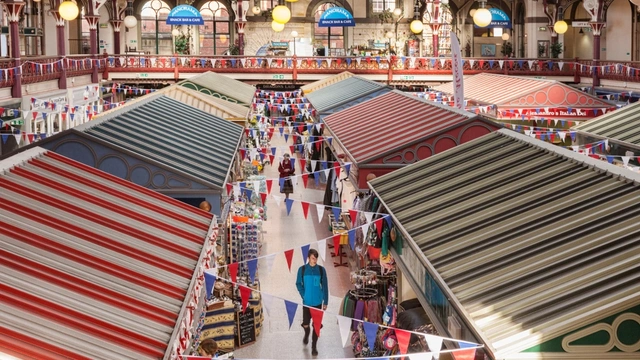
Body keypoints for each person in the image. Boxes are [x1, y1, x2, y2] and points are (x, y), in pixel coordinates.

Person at [295, 249, 328, 356]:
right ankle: (306, 333)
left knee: (316, 325)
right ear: (308, 258)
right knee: (305, 323)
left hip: (318, 302)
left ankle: (314, 346)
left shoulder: (321, 270)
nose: (315, 260)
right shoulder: (302, 269)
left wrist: (325, 301)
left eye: (316, 258)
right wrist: (303, 295)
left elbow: (325, 286)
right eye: (313, 258)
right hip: (306, 302)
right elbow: (298, 284)